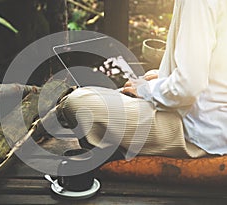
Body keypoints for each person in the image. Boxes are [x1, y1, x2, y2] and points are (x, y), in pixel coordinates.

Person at [54, 0, 227, 159]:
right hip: (216, 122)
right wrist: (164, 76)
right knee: (135, 85)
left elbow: (188, 87)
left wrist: (147, 90)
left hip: (200, 132)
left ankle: (112, 157)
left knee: (78, 103)